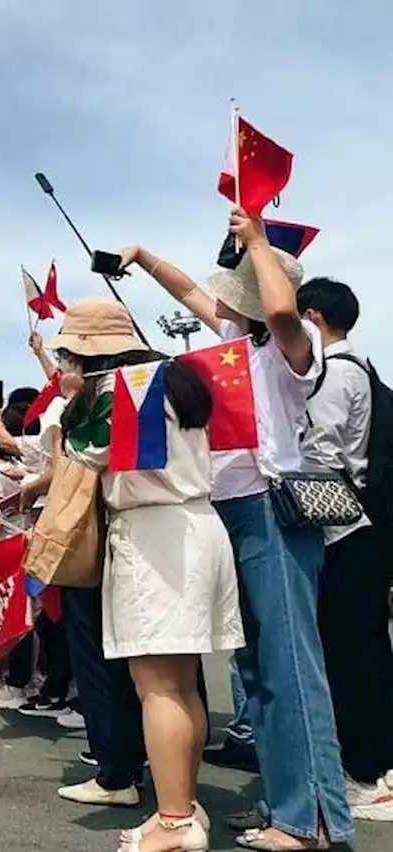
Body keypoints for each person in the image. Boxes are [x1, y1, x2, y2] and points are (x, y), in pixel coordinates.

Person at [119, 207, 354, 849]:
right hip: (228, 512)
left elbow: (280, 313)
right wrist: (142, 255)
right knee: (254, 669)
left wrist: (256, 244)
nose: (218, 304)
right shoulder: (234, 338)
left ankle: (311, 821)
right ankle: (286, 807)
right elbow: (192, 292)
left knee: (289, 667)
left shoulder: (290, 348)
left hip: (270, 513)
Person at [54, 298, 244, 851]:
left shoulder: (120, 389)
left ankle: (175, 821)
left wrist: (74, 399)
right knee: (183, 686)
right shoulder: (176, 377)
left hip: (153, 534)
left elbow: (81, 452)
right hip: (199, 524)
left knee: (156, 688)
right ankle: (183, 801)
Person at [297, 277, 393, 820]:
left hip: (341, 528)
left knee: (351, 653)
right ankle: (374, 765)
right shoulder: (367, 371)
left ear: (312, 316)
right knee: (366, 648)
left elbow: (320, 452)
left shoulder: (334, 372)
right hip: (364, 526)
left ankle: (368, 773)